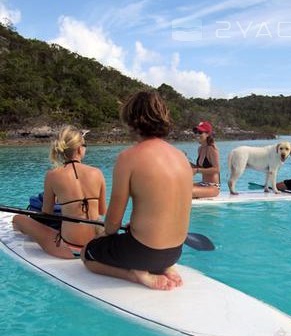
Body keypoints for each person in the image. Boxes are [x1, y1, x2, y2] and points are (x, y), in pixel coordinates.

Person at [81, 91, 193, 291]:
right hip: (175, 252)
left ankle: (134, 274)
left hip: (144, 252)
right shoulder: (181, 157)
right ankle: (165, 268)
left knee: (87, 254)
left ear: (132, 120)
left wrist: (102, 234)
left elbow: (113, 224)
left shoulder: (128, 158)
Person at [13, 126, 107, 258]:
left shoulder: (52, 175)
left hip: (68, 248)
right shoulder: (97, 173)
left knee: (18, 218)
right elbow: (102, 211)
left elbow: (47, 213)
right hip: (95, 246)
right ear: (80, 149)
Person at [191, 121, 220, 198]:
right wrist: (185, 160)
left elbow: (216, 169)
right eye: (196, 132)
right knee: (179, 187)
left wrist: (197, 170)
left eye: (200, 132)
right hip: (202, 184)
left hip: (212, 186)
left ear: (207, 134)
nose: (197, 134)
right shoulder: (200, 149)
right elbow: (199, 167)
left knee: (187, 192)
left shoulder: (212, 149)